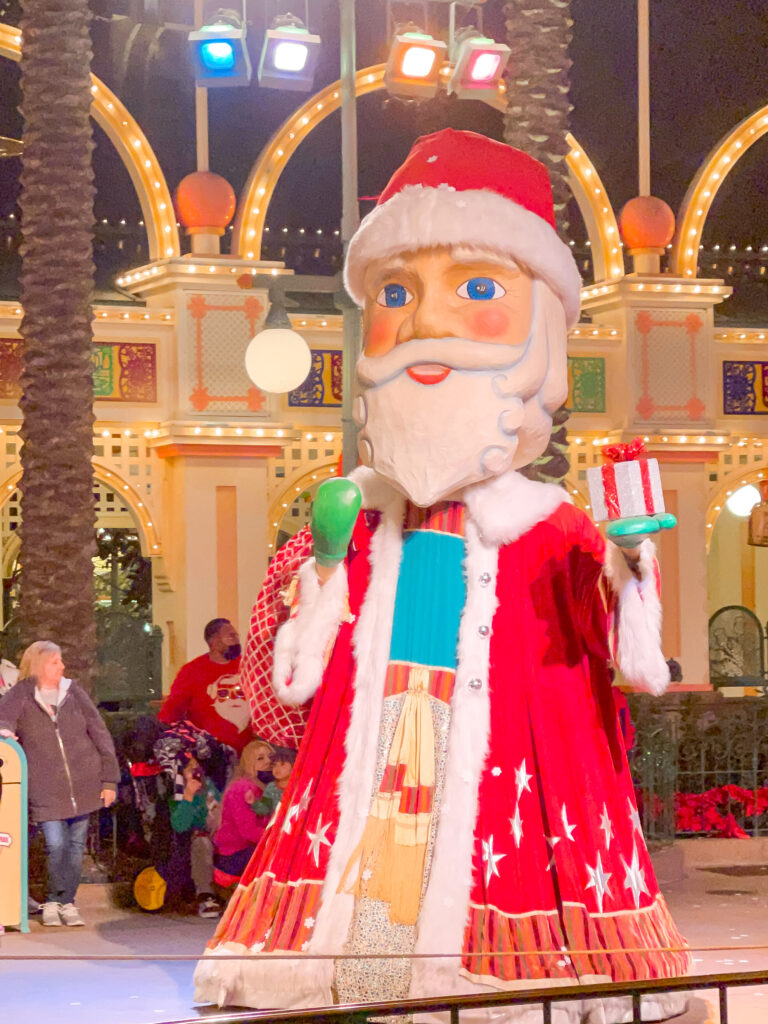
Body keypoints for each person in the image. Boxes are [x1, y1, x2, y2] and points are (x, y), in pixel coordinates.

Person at [195, 130, 690, 1022]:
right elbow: (298, 676)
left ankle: (488, 973)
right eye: (396, 293)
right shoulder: (357, 514)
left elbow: (629, 660)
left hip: (507, 766)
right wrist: (323, 569)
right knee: (381, 864)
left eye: (476, 289)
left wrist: (629, 560)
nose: (424, 322)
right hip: (379, 737)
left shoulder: (551, 525)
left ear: (538, 327)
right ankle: (377, 974)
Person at [0, 640, 119, 927]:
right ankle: (53, 899)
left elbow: (100, 733)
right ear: (40, 664)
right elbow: (4, 719)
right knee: (56, 844)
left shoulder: (73, 692)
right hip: (46, 789)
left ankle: (68, 902)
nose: (62, 666)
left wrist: (109, 780)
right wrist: (5, 733)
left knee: (76, 846)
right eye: (55, 662)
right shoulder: (21, 694)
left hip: (83, 785)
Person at [158, 618, 252, 753]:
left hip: (249, 753)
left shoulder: (249, 666)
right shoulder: (192, 671)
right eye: (231, 636)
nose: (236, 640)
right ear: (215, 642)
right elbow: (173, 709)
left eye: (236, 636)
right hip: (209, 754)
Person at [167, 753, 221, 918]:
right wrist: (188, 796)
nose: (195, 772)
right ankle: (205, 896)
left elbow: (221, 809)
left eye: (196, 767)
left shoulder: (209, 787)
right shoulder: (177, 792)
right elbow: (180, 825)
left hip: (219, 834)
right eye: (190, 769)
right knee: (202, 842)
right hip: (191, 841)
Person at [213, 739, 274, 879]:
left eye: (270, 757)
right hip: (234, 854)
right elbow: (248, 831)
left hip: (253, 847)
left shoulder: (268, 787)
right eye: (260, 758)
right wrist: (278, 837)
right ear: (249, 764)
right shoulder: (242, 787)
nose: (267, 762)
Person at [252, 747, 296, 818]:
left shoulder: (298, 787)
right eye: (274, 765)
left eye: (282, 765)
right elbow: (265, 809)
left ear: (294, 766)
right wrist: (254, 802)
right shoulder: (271, 787)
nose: (277, 768)